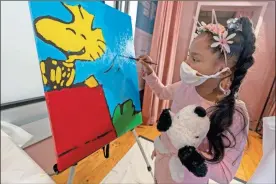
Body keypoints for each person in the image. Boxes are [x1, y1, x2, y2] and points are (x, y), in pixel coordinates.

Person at [139, 14, 256, 184]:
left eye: (195, 59)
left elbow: (225, 173)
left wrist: (188, 155)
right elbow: (163, 92)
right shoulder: (186, 87)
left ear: (223, 71)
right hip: (163, 165)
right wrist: (150, 73)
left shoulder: (235, 115)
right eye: (188, 55)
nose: (186, 63)